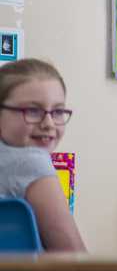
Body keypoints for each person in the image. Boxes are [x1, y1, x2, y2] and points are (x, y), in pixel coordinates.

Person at [0, 59, 85, 250]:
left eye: (58, 111)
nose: (49, 123)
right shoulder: (31, 162)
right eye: (32, 110)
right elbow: (74, 259)